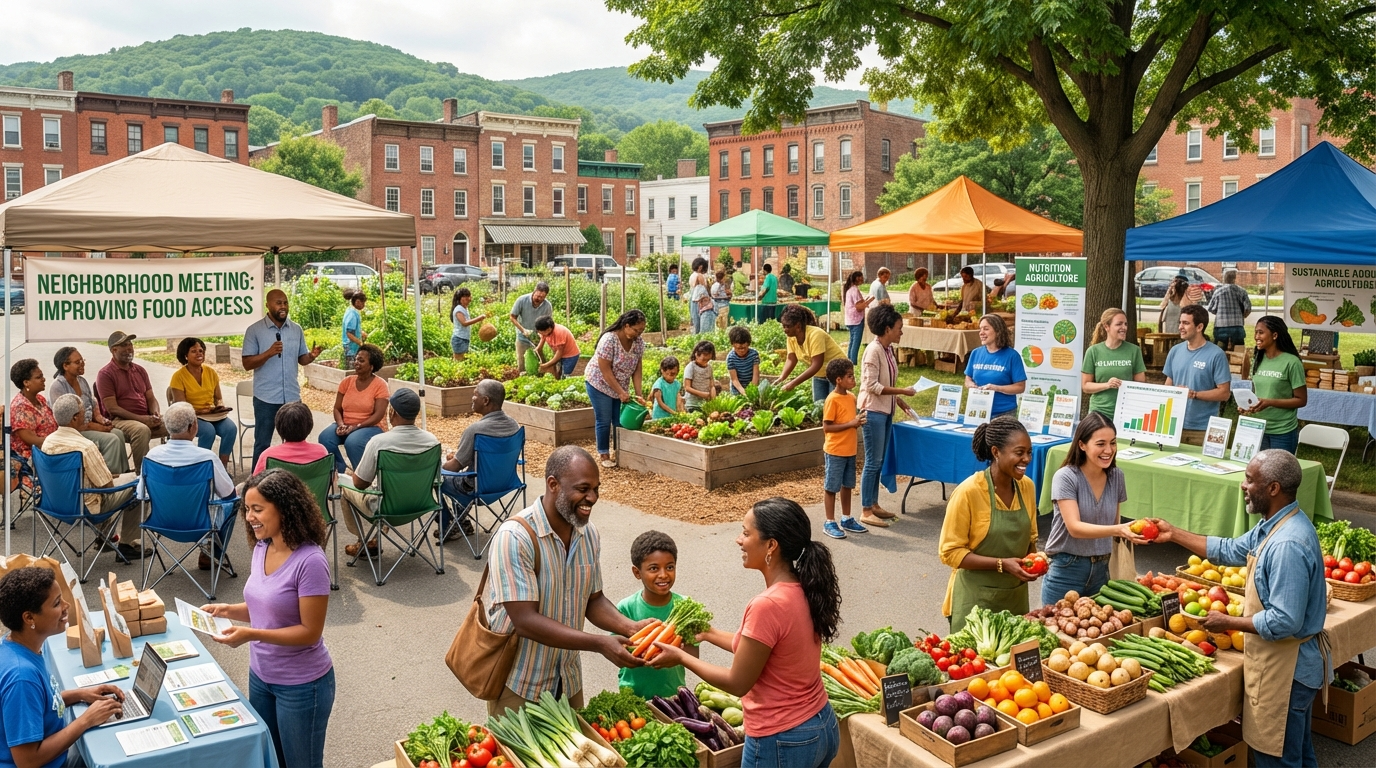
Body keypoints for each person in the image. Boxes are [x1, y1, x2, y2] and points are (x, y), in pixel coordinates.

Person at [1150, 450, 1328, 768]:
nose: (1243, 486)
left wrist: (1228, 621)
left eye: (1249, 480)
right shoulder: (1275, 524)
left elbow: (1285, 620)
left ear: (1273, 488)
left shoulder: (1287, 544)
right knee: (1298, 756)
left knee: (1278, 759)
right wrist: (1173, 533)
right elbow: (1230, 549)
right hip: (1284, 664)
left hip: (1288, 671)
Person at [647, 498, 841, 768]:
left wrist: (681, 657)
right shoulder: (804, 587)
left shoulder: (767, 605)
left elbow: (737, 683)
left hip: (783, 739)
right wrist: (709, 633)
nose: (739, 540)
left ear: (771, 545)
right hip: (823, 725)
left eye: (746, 533)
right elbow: (761, 648)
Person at [484, 446, 648, 715]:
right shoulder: (515, 537)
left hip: (568, 678)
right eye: (583, 489)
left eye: (596, 489)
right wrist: (599, 643)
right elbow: (525, 621)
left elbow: (593, 599)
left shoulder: (588, 534)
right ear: (553, 484)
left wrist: (630, 628)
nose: (592, 498)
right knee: (518, 745)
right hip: (520, 680)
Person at [203, 470, 334, 768]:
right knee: (271, 761)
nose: (249, 517)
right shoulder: (262, 547)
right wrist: (227, 610)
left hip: (302, 686)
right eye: (247, 509)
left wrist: (251, 634)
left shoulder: (311, 561)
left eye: (257, 509)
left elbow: (309, 631)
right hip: (261, 677)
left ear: (285, 509)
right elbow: (267, 608)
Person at [0, 567, 126, 768]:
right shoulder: (22, 677)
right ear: (29, 618)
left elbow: (40, 702)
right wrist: (86, 720)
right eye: (57, 603)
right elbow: (27, 761)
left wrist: (81, 694)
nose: (66, 606)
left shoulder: (15, 643)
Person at [939, 415, 1040, 631]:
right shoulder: (969, 492)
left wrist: (1036, 561)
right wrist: (1001, 564)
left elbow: (1030, 539)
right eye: (1019, 453)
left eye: (1029, 452)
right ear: (996, 452)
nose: (1026, 459)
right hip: (975, 602)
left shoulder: (1027, 487)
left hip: (1015, 598)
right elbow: (950, 553)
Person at [1042, 413, 1147, 603]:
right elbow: (1075, 528)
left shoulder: (1116, 476)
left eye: (1113, 443)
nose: (1109, 450)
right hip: (1066, 569)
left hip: (1103, 570)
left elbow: (1113, 524)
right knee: (1053, 622)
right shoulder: (1066, 477)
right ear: (1082, 445)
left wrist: (1138, 530)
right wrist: (1120, 529)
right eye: (1101, 444)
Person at [338, 389, 439, 558]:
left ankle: (364, 541)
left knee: (346, 488)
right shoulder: (432, 441)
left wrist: (348, 476)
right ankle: (372, 540)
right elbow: (437, 479)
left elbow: (360, 484)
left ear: (393, 412)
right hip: (421, 505)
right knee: (382, 491)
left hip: (386, 508)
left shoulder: (379, 442)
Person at [142, 403, 237, 569]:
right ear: (193, 426)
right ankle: (211, 553)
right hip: (200, 524)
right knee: (234, 501)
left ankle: (208, 551)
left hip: (161, 523)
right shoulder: (207, 457)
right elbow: (229, 494)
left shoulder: (152, 456)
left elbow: (141, 494)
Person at [244, 290, 325, 471]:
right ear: (268, 305)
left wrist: (311, 356)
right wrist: (268, 353)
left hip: (292, 397)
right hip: (266, 398)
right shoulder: (254, 330)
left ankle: (294, 477)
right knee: (262, 443)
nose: (283, 306)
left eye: (285, 303)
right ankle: (257, 481)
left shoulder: (296, 329)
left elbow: (301, 359)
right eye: (278, 303)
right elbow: (247, 363)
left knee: (296, 443)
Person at [616, 531, 699, 699]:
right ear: (637, 572)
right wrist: (643, 652)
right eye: (654, 568)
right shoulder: (626, 607)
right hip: (633, 693)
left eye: (670, 567)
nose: (663, 574)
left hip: (672, 693)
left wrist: (674, 655)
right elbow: (619, 653)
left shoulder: (685, 606)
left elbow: (693, 656)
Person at [43, 393, 138, 534]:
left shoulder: (48, 442)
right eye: (83, 412)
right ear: (75, 418)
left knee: (104, 482)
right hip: (85, 508)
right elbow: (107, 485)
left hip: (55, 503)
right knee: (139, 485)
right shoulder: (85, 447)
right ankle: (127, 541)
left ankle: (106, 537)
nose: (86, 416)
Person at [438, 380, 520, 539]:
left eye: (475, 394)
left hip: (476, 489)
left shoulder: (475, 430)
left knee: (438, 480)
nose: (472, 398)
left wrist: (437, 467)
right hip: (505, 484)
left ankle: (449, 524)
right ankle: (461, 522)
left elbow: (454, 467)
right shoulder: (514, 426)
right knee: (466, 476)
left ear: (486, 400)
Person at [859, 305, 918, 523]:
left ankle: (873, 504)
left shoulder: (887, 349)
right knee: (873, 461)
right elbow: (872, 385)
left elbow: (886, 382)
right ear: (887, 329)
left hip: (885, 410)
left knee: (879, 460)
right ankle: (866, 510)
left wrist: (899, 401)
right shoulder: (873, 351)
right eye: (899, 328)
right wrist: (902, 391)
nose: (901, 331)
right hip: (873, 411)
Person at [95, 331, 169, 472]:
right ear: (113, 350)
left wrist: (155, 414)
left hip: (145, 417)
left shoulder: (140, 370)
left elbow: (151, 398)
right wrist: (142, 419)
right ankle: (142, 475)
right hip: (119, 420)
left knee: (177, 423)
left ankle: (172, 468)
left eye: (130, 344)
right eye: (124, 345)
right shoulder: (105, 374)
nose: (129, 348)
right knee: (141, 430)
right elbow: (112, 408)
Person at [48, 346, 128, 475]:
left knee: (118, 434)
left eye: (82, 360)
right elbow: (68, 421)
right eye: (77, 362)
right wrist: (96, 427)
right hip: (74, 432)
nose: (82, 364)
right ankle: (108, 476)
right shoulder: (58, 386)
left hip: (88, 426)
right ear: (65, 366)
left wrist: (101, 420)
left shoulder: (82, 381)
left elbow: (92, 402)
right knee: (112, 440)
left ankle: (123, 473)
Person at [584, 310, 647, 469]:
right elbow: (605, 369)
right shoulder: (609, 340)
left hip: (620, 385)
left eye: (641, 330)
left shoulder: (638, 342)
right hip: (599, 383)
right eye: (636, 330)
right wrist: (620, 392)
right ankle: (604, 454)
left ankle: (620, 452)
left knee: (619, 420)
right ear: (626, 325)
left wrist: (638, 393)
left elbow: (637, 368)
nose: (639, 334)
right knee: (604, 419)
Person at [1162, 305, 1231, 446]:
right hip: (1173, 425)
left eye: (1186, 323)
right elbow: (1169, 383)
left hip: (1202, 429)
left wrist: (1194, 394)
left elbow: (1224, 393)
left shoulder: (1216, 354)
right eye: (1180, 322)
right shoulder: (1175, 351)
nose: (1180, 327)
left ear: (1199, 327)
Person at [317, 344, 389, 475]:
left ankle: (362, 476)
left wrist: (356, 427)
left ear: (371, 366)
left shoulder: (380, 385)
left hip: (371, 426)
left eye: (361, 360)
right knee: (325, 438)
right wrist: (341, 425)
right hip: (346, 424)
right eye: (356, 359)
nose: (356, 362)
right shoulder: (347, 382)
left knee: (352, 442)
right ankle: (339, 470)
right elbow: (337, 408)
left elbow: (378, 415)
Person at [169, 337, 237, 469]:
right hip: (191, 416)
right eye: (193, 351)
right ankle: (201, 467)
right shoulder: (178, 376)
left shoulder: (211, 372)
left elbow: (218, 398)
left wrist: (220, 407)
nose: (199, 354)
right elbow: (181, 407)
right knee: (208, 431)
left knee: (231, 429)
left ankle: (222, 468)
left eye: (201, 350)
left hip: (212, 415)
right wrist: (200, 411)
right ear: (185, 355)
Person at [1243, 316, 1307, 454]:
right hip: (1258, 428)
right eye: (1255, 332)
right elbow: (1256, 393)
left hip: (1282, 431)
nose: (1256, 336)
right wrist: (1247, 406)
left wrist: (1270, 402)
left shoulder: (1292, 363)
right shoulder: (1258, 359)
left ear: (1275, 335)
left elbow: (1301, 400)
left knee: (1279, 468)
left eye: (1261, 332)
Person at [821, 359, 869, 539]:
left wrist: (858, 420)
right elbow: (827, 427)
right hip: (835, 451)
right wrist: (851, 423)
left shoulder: (851, 397)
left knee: (847, 485)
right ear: (838, 380)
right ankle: (829, 522)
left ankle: (846, 518)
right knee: (831, 487)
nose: (853, 378)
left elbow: (849, 421)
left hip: (850, 450)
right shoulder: (832, 399)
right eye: (849, 376)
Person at [1081, 308, 1148, 419]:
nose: (1124, 327)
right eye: (1119, 324)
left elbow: (1140, 384)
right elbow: (1086, 386)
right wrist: (1107, 385)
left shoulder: (1134, 350)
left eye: (1125, 324)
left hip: (1125, 412)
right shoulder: (1093, 351)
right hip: (1099, 412)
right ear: (1106, 326)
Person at [777, 304, 847, 402]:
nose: (785, 330)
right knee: (819, 405)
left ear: (798, 326)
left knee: (835, 404)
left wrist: (793, 383)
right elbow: (791, 359)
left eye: (787, 326)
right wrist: (781, 378)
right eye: (783, 326)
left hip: (839, 372)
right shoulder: (791, 337)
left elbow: (816, 364)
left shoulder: (816, 334)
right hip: (820, 373)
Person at [964, 314, 1026, 417]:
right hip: (978, 410)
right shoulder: (975, 353)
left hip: (1004, 413)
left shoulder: (1012, 356)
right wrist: (970, 384)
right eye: (980, 329)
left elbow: (1020, 387)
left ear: (998, 331)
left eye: (986, 329)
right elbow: (968, 378)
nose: (981, 333)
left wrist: (997, 388)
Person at [254, 402, 329, 475]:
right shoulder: (322, 452)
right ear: (310, 425)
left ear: (278, 427)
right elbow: (328, 478)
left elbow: (255, 481)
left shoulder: (268, 455)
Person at [9, 360, 56, 461]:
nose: (43, 379)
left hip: (50, 448)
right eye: (39, 377)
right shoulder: (20, 408)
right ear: (26, 383)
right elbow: (32, 440)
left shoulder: (40, 399)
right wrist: (59, 443)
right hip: (34, 456)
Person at [509, 281, 553, 367]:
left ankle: (543, 373)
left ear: (545, 296)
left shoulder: (547, 306)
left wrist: (543, 335)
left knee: (541, 359)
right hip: (522, 336)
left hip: (537, 337)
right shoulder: (522, 300)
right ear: (534, 291)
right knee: (522, 361)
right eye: (537, 295)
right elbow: (512, 317)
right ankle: (522, 374)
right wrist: (523, 330)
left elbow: (548, 324)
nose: (539, 298)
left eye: (542, 297)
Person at [1208, 269, 1252, 351]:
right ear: (1235, 279)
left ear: (1224, 278)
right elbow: (1248, 308)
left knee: (1219, 349)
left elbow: (1210, 308)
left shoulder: (1218, 291)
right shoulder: (1241, 291)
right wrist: (1242, 316)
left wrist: (1220, 312)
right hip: (1237, 325)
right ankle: (1238, 357)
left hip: (1221, 326)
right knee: (1239, 350)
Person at [842, 271, 874, 364]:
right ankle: (852, 362)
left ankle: (849, 361)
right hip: (857, 320)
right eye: (861, 277)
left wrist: (865, 301)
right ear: (857, 278)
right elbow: (859, 307)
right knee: (856, 343)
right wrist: (869, 301)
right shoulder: (854, 290)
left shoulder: (849, 289)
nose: (863, 279)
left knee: (852, 341)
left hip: (850, 319)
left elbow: (857, 304)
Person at [451, 287, 488, 362]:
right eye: (467, 298)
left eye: (470, 297)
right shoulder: (458, 309)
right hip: (459, 339)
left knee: (463, 361)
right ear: (461, 298)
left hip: (463, 338)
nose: (469, 300)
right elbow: (464, 323)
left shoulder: (464, 308)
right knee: (459, 362)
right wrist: (479, 318)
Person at [726, 326, 761, 395]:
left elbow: (756, 376)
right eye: (739, 348)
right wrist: (743, 392)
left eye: (744, 348)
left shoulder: (754, 355)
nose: (742, 350)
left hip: (752, 387)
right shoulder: (731, 358)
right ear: (733, 344)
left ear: (748, 344)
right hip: (737, 390)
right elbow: (734, 379)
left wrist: (752, 391)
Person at [682, 341, 716, 410]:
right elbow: (687, 387)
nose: (706, 361)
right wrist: (703, 394)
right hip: (692, 404)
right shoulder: (691, 367)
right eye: (704, 359)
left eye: (708, 360)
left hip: (705, 405)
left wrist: (714, 401)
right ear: (696, 354)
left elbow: (712, 386)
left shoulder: (709, 368)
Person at [341, 290, 368, 367]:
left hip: (352, 347)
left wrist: (361, 332)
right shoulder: (352, 315)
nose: (364, 305)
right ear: (358, 302)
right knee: (352, 369)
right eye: (363, 303)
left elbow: (352, 328)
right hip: (351, 348)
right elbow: (349, 334)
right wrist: (361, 343)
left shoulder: (351, 311)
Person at [687, 257, 710, 333]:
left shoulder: (692, 275)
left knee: (694, 319)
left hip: (692, 299)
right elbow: (704, 288)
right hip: (698, 300)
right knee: (699, 321)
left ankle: (694, 335)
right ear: (700, 267)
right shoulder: (699, 275)